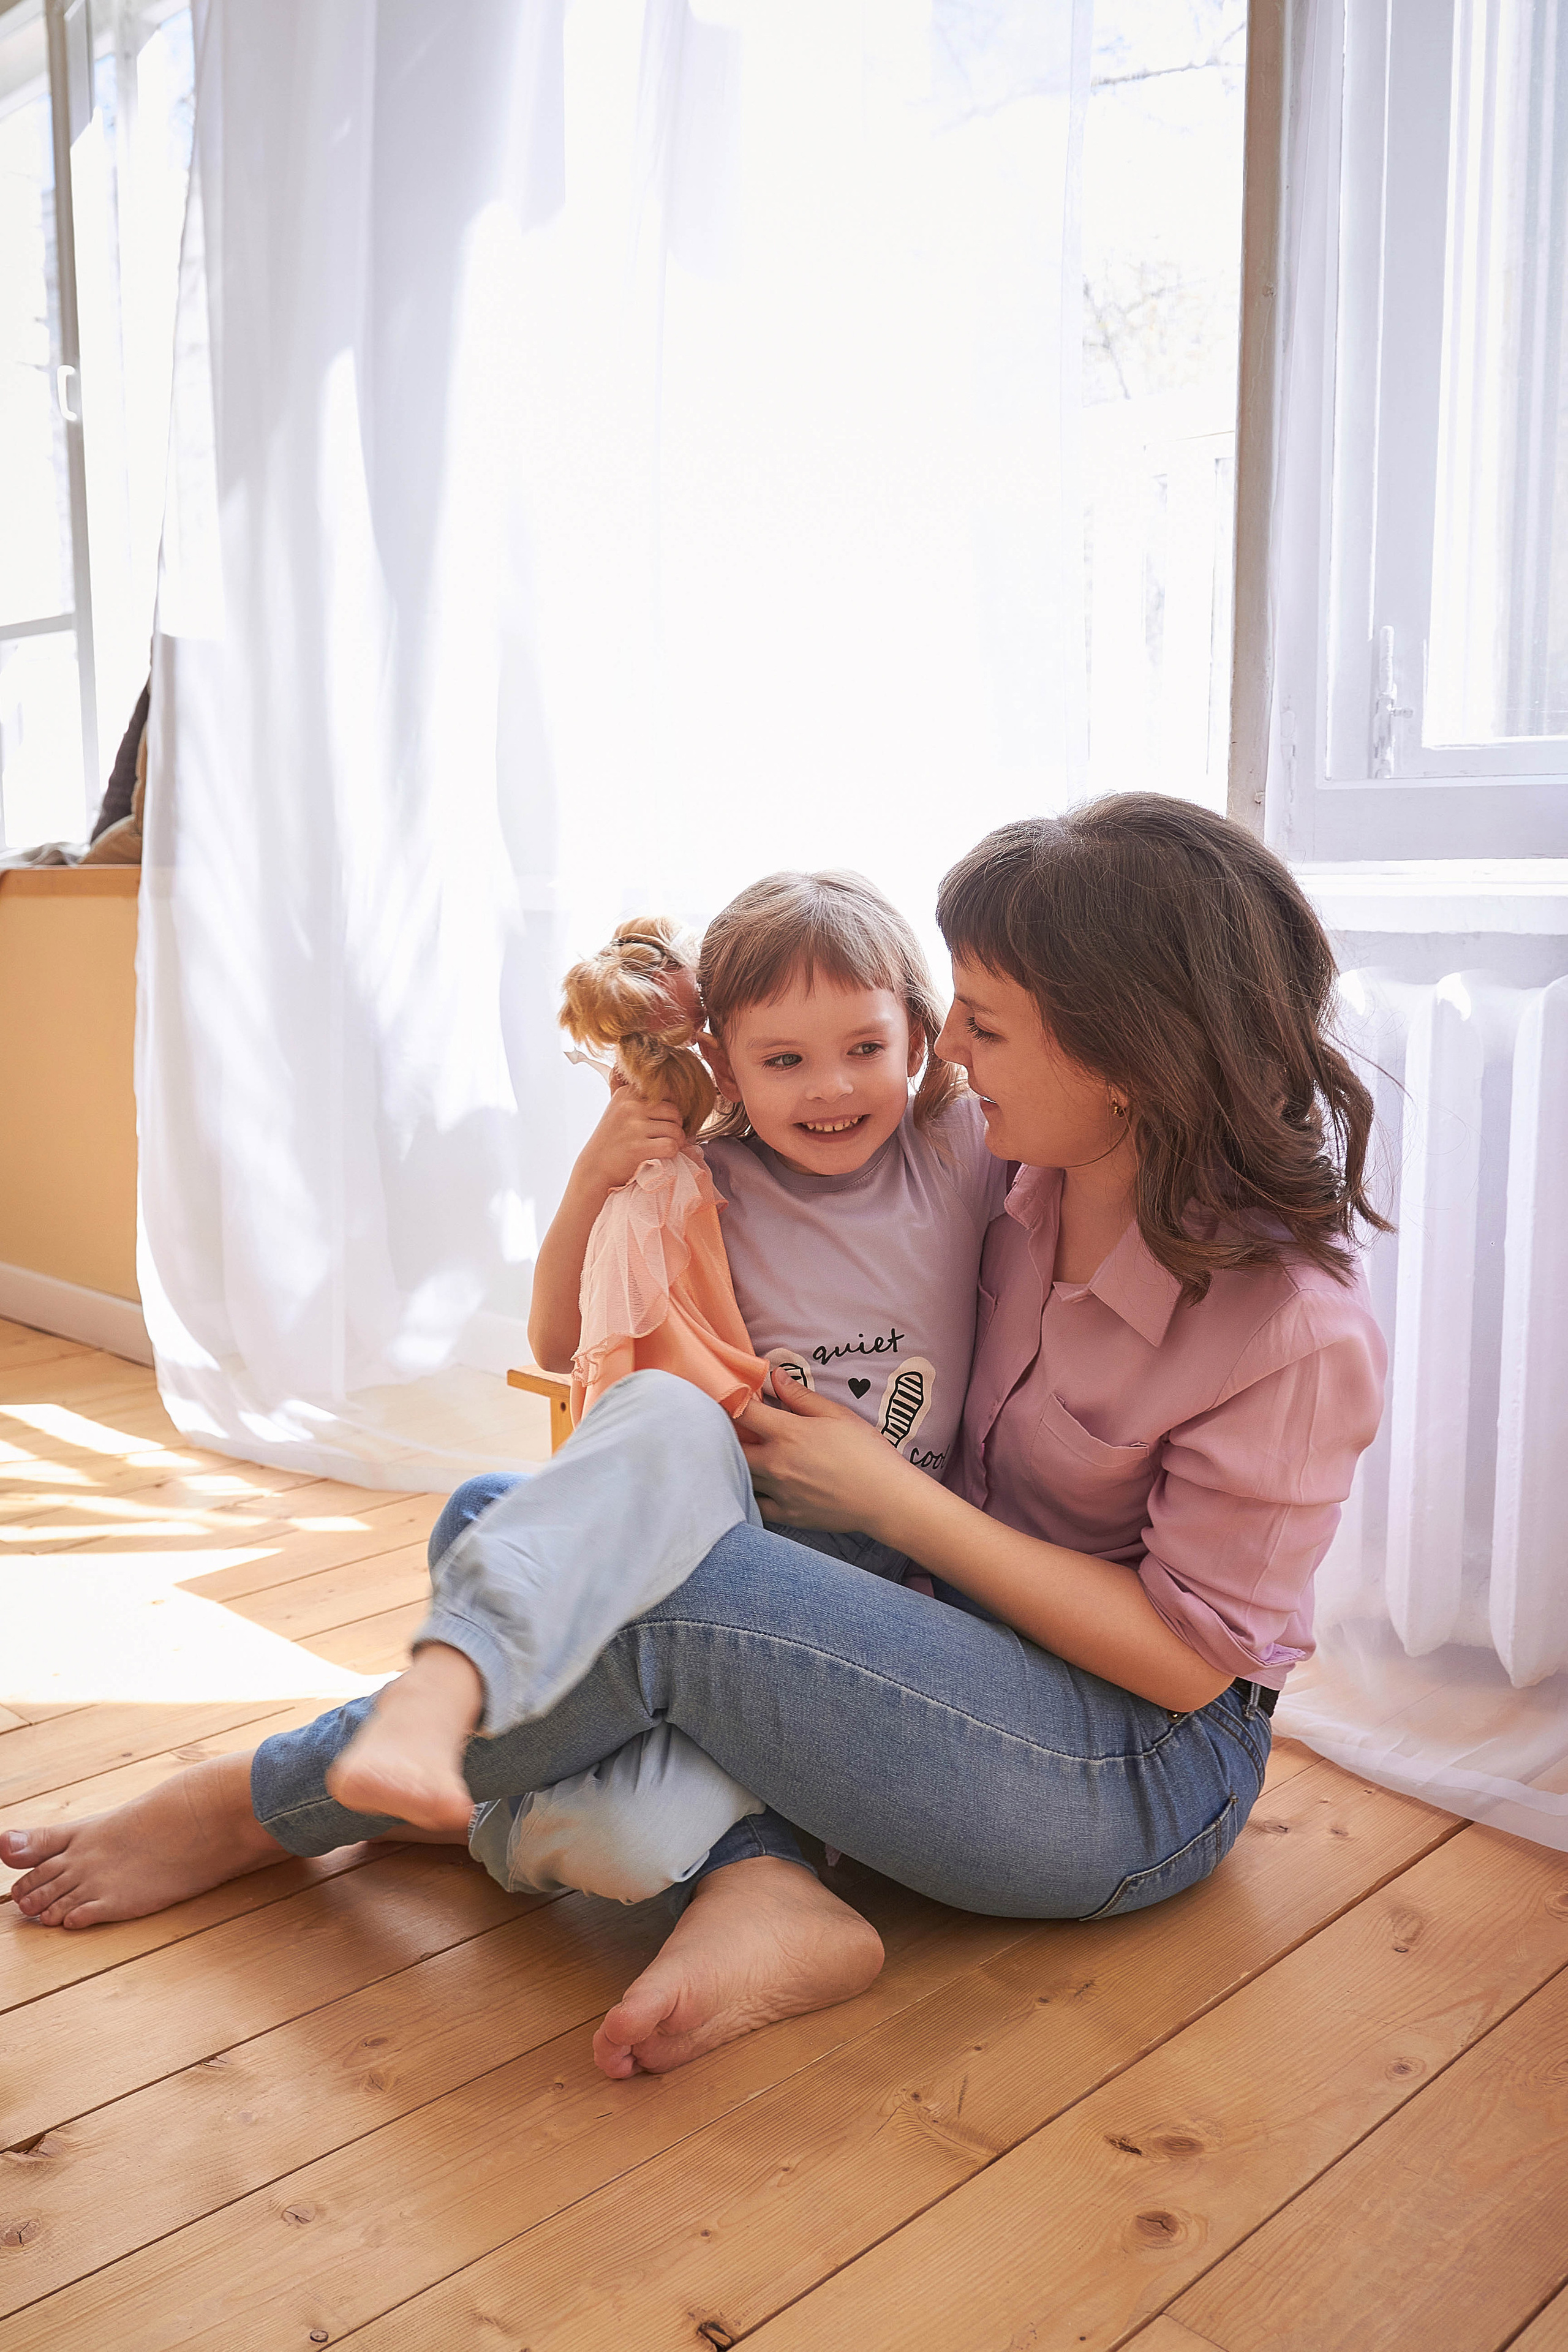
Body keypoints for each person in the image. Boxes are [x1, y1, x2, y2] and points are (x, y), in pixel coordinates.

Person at [2, 798, 1387, 2094]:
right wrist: (663, 1032)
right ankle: (753, 1880)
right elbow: (773, 1085)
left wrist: (887, 1503)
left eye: (985, 1023)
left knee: (652, 1597)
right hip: (952, 1635)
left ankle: (274, 1802)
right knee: (502, 1510)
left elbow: (1183, 1657)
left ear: (1125, 1058)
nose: (948, 1053)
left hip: (1133, 1766)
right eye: (956, 1012)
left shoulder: (1289, 1327)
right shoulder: (1017, 1173)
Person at [459, 872, 1007, 1906]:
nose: (832, 1090)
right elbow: (557, 1337)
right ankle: (517, 1774)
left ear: (919, 1039)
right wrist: (592, 1179)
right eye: (784, 1061)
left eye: (865, 1049)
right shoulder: (698, 1185)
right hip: (736, 1568)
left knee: (643, 1826)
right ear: (724, 1062)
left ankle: (540, 1797)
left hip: (902, 1575)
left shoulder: (956, 1148)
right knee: (627, 1814)